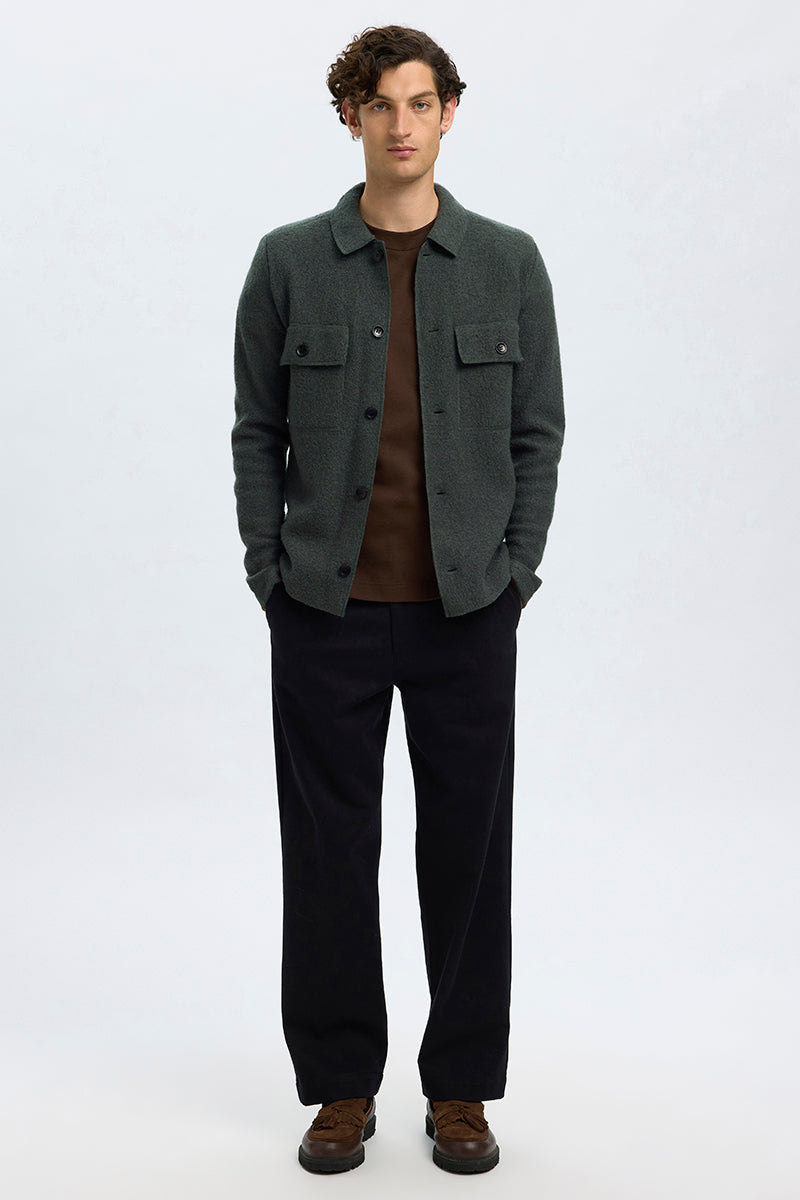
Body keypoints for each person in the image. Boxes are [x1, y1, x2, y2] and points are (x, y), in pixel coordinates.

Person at [231, 24, 564, 1176]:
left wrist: (514, 572)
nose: (401, 124)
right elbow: (256, 429)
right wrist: (268, 572)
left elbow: (537, 433)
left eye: (420, 102)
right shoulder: (287, 262)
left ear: (449, 112)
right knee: (327, 857)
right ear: (350, 118)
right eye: (379, 104)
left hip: (467, 612)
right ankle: (340, 1088)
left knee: (467, 854)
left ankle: (460, 1090)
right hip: (321, 611)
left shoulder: (508, 262)